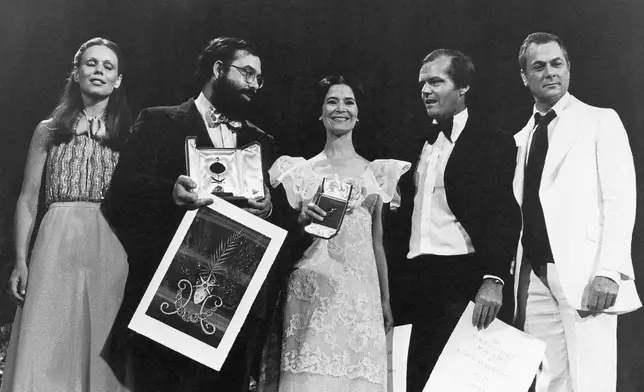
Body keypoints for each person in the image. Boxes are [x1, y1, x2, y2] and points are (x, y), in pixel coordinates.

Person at [101, 36, 275, 392]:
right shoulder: (159, 122)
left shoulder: (261, 141)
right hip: (169, 292)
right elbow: (119, 194)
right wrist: (169, 193)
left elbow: (276, 218)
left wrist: (269, 207)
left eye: (259, 78)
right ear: (218, 70)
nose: (254, 85)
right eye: (247, 73)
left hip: (234, 299)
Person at [259, 76, 410, 392]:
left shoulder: (377, 173)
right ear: (320, 112)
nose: (340, 108)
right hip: (310, 292)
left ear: (359, 113)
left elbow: (377, 243)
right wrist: (300, 219)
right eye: (332, 101)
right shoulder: (296, 170)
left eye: (349, 102)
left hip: (360, 297)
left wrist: (385, 301)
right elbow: (282, 234)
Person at [512, 32, 641, 392]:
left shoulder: (600, 120)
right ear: (525, 76)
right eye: (539, 66)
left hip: (586, 275)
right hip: (534, 277)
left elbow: (620, 201)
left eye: (557, 63)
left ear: (569, 68)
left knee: (591, 380)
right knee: (549, 380)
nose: (550, 72)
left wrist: (609, 271)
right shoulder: (521, 138)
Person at [2, 37, 131, 392]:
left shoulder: (128, 136)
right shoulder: (49, 130)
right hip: (56, 243)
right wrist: (20, 261)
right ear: (76, 72)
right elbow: (28, 200)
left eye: (108, 66)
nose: (99, 71)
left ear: (118, 80)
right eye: (91, 63)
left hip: (110, 245)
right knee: (49, 337)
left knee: (102, 340)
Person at [389, 49, 522, 392]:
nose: (425, 90)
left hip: (462, 278)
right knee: (417, 383)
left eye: (436, 81)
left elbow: (504, 214)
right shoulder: (416, 141)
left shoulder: (492, 141)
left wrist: (494, 278)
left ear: (462, 87)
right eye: (422, 83)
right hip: (416, 281)